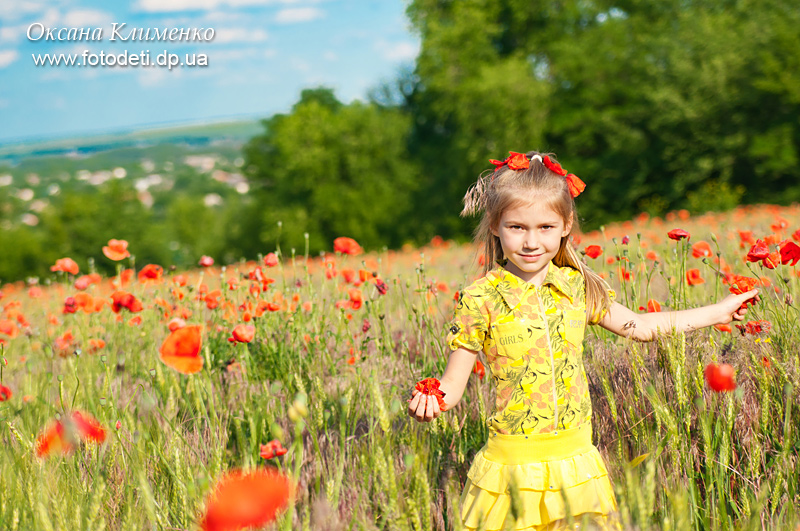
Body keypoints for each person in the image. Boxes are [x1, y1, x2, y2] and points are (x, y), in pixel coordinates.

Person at [407, 151, 759, 530]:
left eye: (544, 227)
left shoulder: (576, 286)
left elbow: (639, 326)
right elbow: (452, 385)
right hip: (511, 465)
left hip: (575, 460)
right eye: (517, 227)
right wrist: (431, 401)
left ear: (565, 225)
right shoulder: (481, 298)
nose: (530, 241)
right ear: (495, 225)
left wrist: (717, 312)